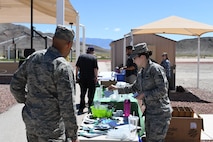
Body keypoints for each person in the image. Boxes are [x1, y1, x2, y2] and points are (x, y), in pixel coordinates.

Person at [10, 25, 79, 142]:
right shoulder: (62, 66)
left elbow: (15, 85)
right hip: (52, 129)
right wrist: (73, 135)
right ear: (69, 44)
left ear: (53, 40)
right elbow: (67, 105)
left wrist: (26, 100)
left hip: (31, 123)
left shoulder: (34, 57)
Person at [108, 43, 172, 142]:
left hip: (160, 114)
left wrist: (144, 94)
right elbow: (133, 88)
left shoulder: (155, 69)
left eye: (135, 58)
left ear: (142, 56)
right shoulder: (141, 72)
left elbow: (163, 90)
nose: (133, 60)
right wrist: (116, 88)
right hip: (150, 112)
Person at [75, 46, 99, 115]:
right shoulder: (94, 58)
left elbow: (77, 67)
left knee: (82, 93)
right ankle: (90, 108)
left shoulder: (81, 57)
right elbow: (95, 69)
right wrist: (96, 78)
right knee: (91, 94)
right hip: (91, 79)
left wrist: (76, 76)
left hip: (82, 78)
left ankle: (81, 108)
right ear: (92, 51)